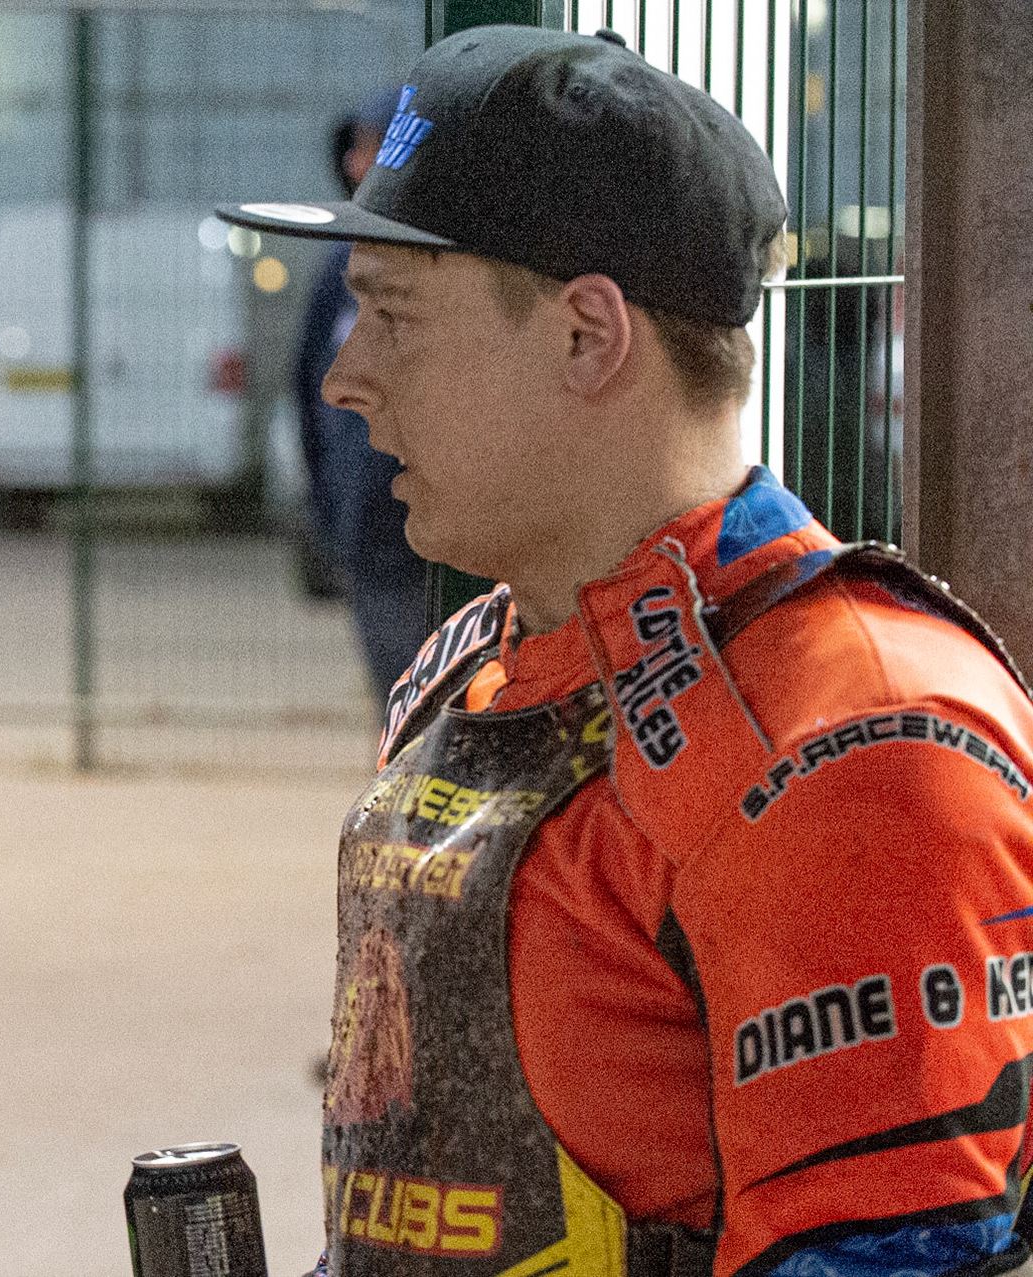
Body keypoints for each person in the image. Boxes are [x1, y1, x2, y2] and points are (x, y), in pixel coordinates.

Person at [221, 24, 1033, 1277]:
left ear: (588, 337)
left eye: (393, 317)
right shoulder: (472, 661)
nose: (345, 377)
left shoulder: (856, 739)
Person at [295, 87, 431, 701]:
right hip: (367, 513)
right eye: (353, 148)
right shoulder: (337, 267)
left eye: (373, 147)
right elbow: (309, 389)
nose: (355, 165)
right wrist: (327, 502)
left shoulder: (439, 263)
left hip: (425, 511)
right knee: (398, 689)